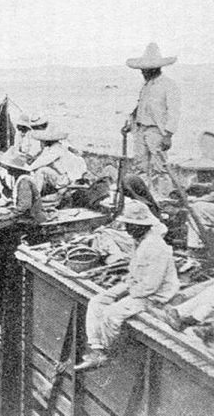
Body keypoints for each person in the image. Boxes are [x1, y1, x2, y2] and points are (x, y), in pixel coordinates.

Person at [75, 203, 179, 371]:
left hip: (154, 295)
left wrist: (127, 292)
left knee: (112, 314)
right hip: (137, 286)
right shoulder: (140, 240)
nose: (127, 228)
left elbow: (150, 286)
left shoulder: (156, 247)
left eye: (130, 225)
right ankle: (96, 348)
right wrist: (126, 284)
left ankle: (107, 352)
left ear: (142, 226)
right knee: (97, 301)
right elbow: (135, 270)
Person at [122, 43, 180, 199]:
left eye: (145, 69)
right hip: (140, 130)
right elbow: (140, 106)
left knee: (160, 168)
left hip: (156, 131)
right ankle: (145, 198)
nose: (142, 72)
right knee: (140, 166)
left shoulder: (168, 85)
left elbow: (173, 111)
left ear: (155, 68)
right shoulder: (146, 85)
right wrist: (130, 122)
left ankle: (163, 198)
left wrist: (168, 135)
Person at [0, 152, 46, 265]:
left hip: (31, 218)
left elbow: (24, 207)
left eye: (10, 167)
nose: (7, 169)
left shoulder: (24, 181)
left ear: (15, 169)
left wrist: (9, 216)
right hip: (26, 216)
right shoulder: (20, 179)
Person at [28, 128, 88, 196]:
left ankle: (35, 196)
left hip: (66, 179)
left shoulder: (55, 150)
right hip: (70, 176)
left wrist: (28, 168)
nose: (41, 143)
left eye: (42, 141)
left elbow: (41, 162)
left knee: (41, 171)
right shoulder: (60, 146)